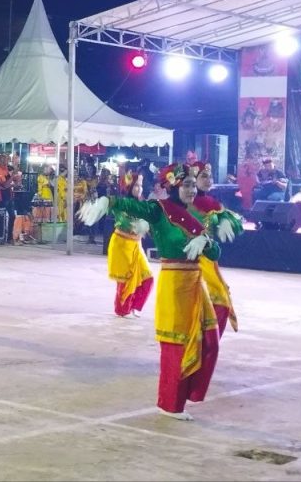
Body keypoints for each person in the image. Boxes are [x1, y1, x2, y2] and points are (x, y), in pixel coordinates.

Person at [80, 161, 237, 420]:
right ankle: (170, 403)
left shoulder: (198, 213)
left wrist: (207, 240)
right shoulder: (159, 210)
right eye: (186, 184)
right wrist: (107, 202)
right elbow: (130, 205)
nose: (191, 190)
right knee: (176, 345)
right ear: (173, 186)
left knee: (209, 342)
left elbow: (216, 251)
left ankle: (189, 393)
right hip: (174, 284)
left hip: (196, 284)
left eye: (192, 184)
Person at [190, 161, 242, 336]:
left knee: (220, 300)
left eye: (210, 176)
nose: (208, 180)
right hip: (189, 260)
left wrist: (226, 221)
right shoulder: (184, 202)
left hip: (209, 259)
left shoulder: (211, 203)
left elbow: (233, 219)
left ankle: (209, 340)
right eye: (203, 176)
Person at [106, 171, 153, 318]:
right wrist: (137, 225)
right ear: (129, 187)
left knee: (148, 278)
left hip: (136, 246)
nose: (139, 189)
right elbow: (123, 221)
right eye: (136, 186)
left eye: (140, 186)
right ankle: (122, 309)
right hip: (122, 244)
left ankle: (133, 306)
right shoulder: (122, 203)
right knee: (125, 281)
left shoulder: (142, 204)